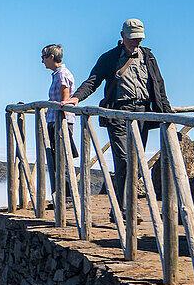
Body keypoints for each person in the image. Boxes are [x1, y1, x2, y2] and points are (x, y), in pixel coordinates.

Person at [63, 18, 172, 212]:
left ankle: (122, 207)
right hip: (118, 113)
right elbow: (93, 81)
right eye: (132, 38)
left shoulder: (148, 57)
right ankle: (126, 209)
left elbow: (159, 85)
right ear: (122, 36)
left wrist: (168, 113)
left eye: (139, 38)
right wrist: (76, 97)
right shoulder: (110, 57)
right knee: (123, 161)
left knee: (137, 161)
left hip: (142, 113)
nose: (136, 42)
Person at [42, 44, 76, 200]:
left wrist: (62, 104)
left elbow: (64, 90)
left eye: (43, 57)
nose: (42, 61)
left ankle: (66, 197)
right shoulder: (58, 73)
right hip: (57, 119)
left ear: (51, 57)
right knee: (58, 157)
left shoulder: (61, 73)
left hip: (60, 120)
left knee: (62, 157)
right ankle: (61, 196)